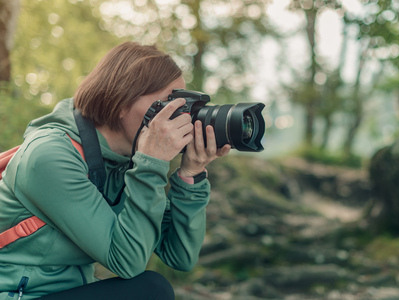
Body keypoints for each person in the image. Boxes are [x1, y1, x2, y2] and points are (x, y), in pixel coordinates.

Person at [0, 41, 231, 299]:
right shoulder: (49, 157)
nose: (179, 116)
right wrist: (150, 163)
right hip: (16, 294)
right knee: (151, 290)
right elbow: (128, 263)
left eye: (182, 104)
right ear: (121, 101)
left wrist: (191, 174)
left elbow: (181, 256)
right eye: (168, 103)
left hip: (72, 289)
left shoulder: (122, 161)